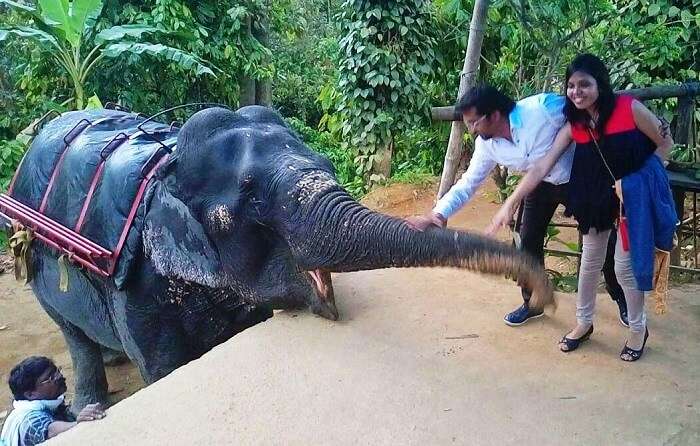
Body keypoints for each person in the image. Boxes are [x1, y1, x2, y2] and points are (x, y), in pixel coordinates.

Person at [488, 54, 675, 361]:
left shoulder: (629, 108)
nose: (576, 92)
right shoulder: (575, 123)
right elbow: (540, 168)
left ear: (600, 84)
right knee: (589, 263)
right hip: (594, 198)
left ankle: (638, 330)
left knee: (623, 268)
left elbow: (664, 145)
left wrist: (634, 182)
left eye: (584, 84)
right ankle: (583, 323)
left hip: (633, 197)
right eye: (571, 85)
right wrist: (511, 201)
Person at [405, 85, 629, 326]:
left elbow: (586, 109)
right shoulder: (486, 145)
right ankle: (533, 302)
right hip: (537, 185)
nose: (471, 130)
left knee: (602, 245)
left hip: (580, 177)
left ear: (494, 115)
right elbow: (467, 183)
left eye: (473, 122)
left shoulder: (543, 109)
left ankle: (622, 298)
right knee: (527, 244)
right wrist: (438, 214)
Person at [1, 356, 105, 446]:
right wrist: (77, 423)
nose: (59, 376)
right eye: (50, 377)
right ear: (31, 394)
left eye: (57, 371)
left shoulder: (49, 403)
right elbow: (49, 430)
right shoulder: (29, 420)